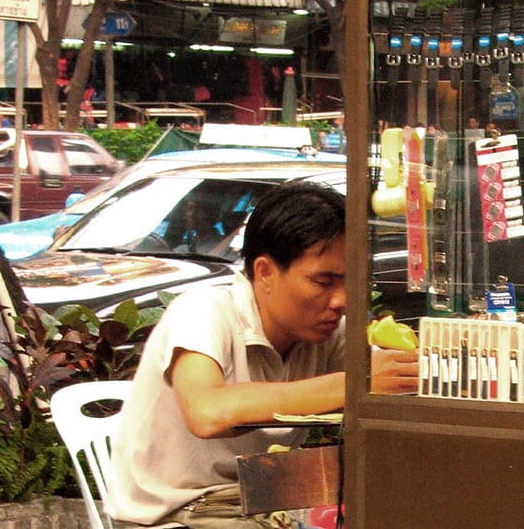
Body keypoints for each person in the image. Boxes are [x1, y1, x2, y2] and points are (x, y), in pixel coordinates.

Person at [106, 181, 419, 527]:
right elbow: (207, 412)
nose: (341, 300)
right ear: (265, 272)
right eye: (323, 282)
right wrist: (359, 381)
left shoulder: (330, 334)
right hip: (174, 516)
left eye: (350, 282)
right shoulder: (203, 311)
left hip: (261, 503)